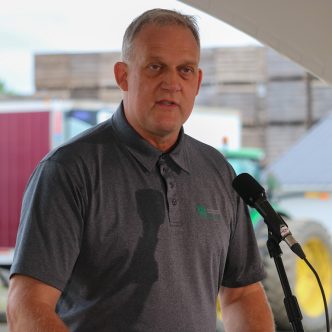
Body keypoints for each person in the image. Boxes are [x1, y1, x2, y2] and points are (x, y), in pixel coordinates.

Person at [7, 8, 275, 332]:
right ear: (123, 75)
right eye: (155, 67)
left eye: (185, 70)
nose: (172, 83)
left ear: (198, 81)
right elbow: (26, 306)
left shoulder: (218, 172)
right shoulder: (68, 171)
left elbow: (242, 293)